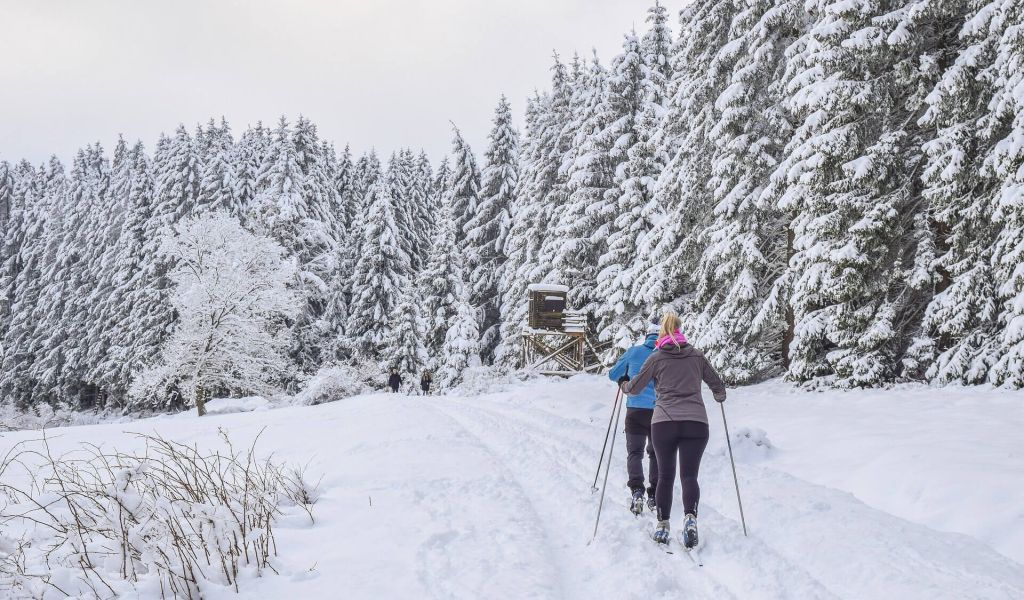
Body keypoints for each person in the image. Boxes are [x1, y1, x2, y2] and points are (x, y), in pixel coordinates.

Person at [619, 312, 726, 549]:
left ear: (662, 333)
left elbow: (635, 387)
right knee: (689, 476)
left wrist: (624, 385)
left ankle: (663, 526)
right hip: (696, 423)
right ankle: (690, 519)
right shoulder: (697, 356)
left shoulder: (656, 358)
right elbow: (717, 385)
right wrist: (719, 396)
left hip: (664, 422)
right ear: (680, 330)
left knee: (666, 476)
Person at [607, 319, 660, 515]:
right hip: (659, 412)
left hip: (635, 410)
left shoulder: (634, 352)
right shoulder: (665, 355)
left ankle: (637, 491)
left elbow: (613, 374)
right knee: (656, 454)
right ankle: (654, 494)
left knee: (634, 453)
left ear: (646, 336)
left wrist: (624, 379)